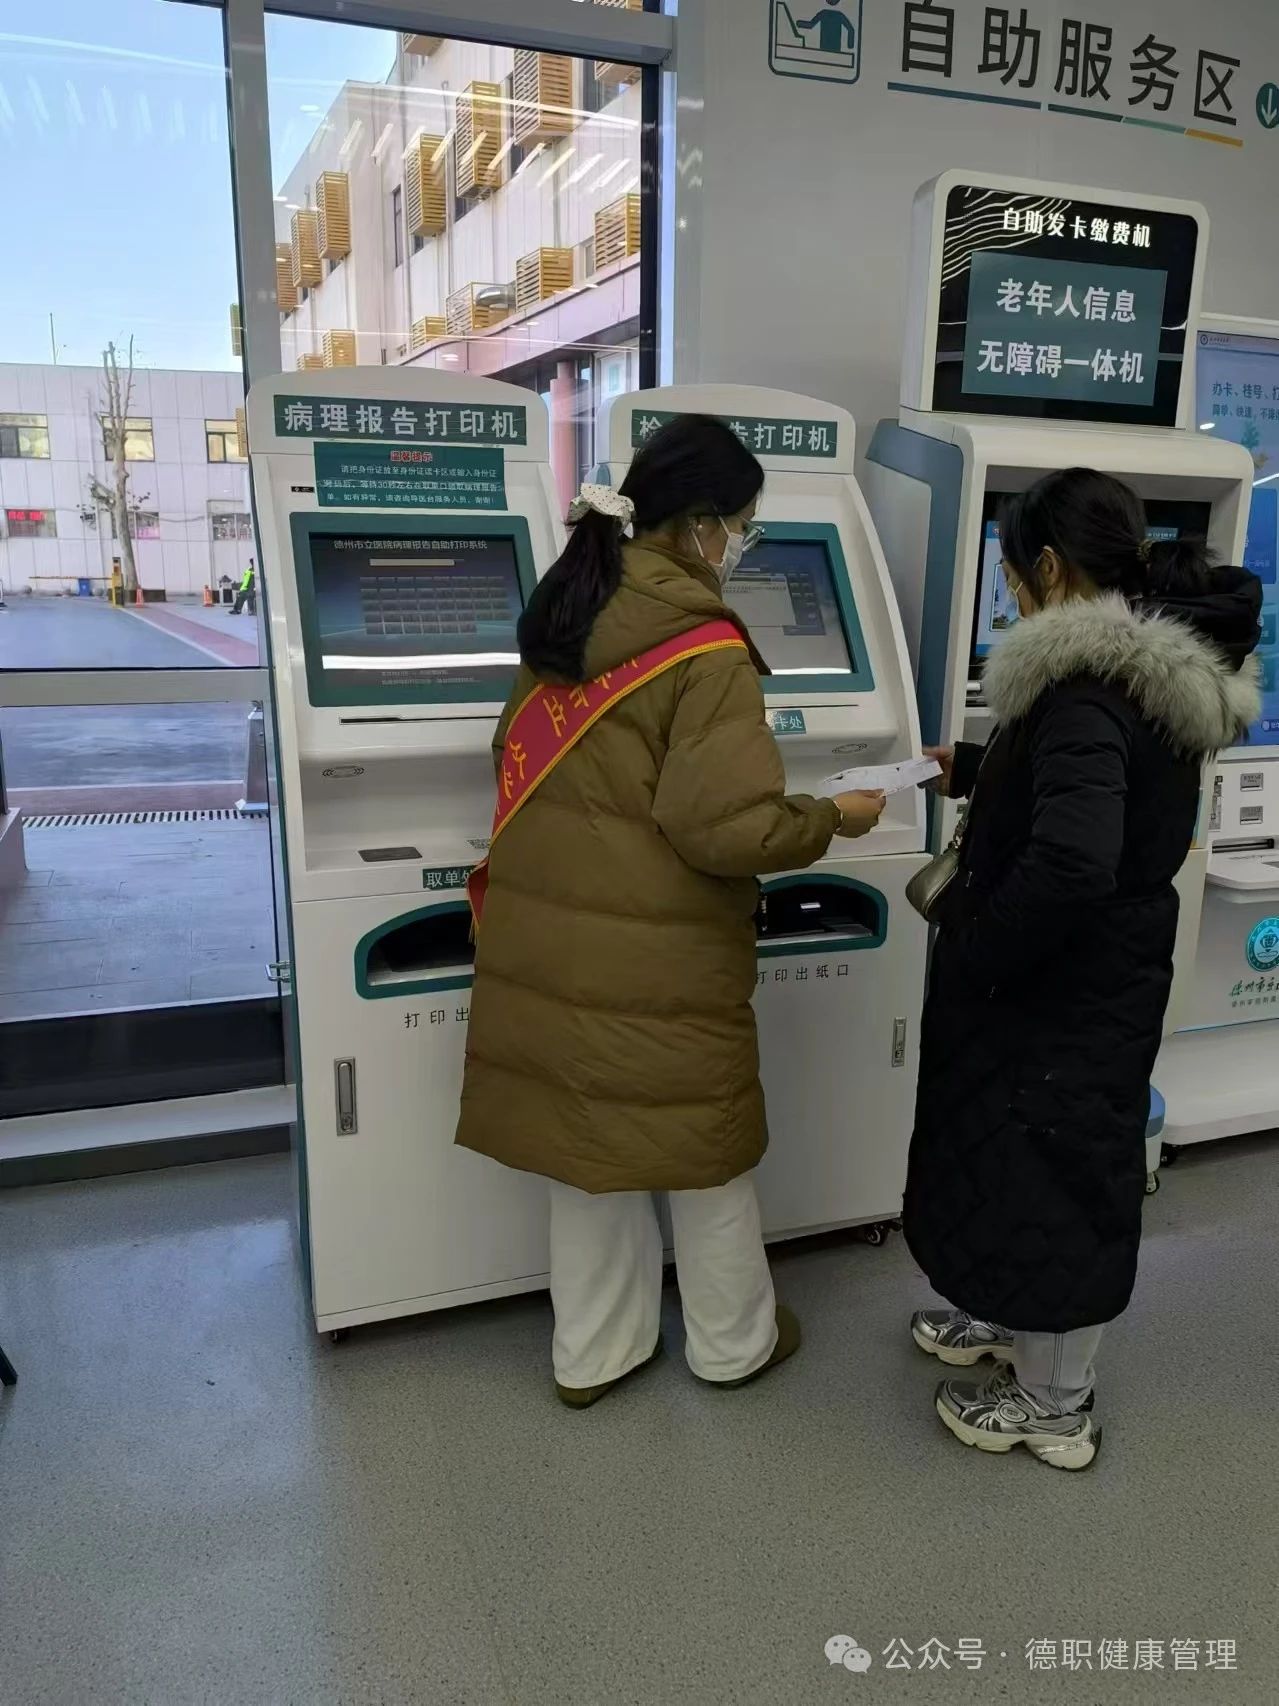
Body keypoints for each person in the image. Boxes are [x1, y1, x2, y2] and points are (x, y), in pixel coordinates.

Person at [456, 415, 886, 1407]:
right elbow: (724, 828)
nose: (742, 544)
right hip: (657, 953)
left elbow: (512, 757)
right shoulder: (705, 646)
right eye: (741, 525)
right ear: (699, 524)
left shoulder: (569, 605)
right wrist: (832, 817)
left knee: (586, 1147)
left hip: (547, 936)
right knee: (703, 1147)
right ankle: (733, 1346)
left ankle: (591, 1356)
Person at [904, 467, 1261, 1470]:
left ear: (1051, 569)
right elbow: (1103, 789)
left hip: (1062, 985)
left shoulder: (1083, 688)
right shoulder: (1143, 671)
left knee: (1056, 1175)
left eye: (1014, 575)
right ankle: (1002, 1311)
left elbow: (1070, 857)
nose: (1012, 593)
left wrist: (980, 948)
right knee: (1012, 1158)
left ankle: (1054, 1404)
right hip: (1084, 973)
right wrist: (978, 768)